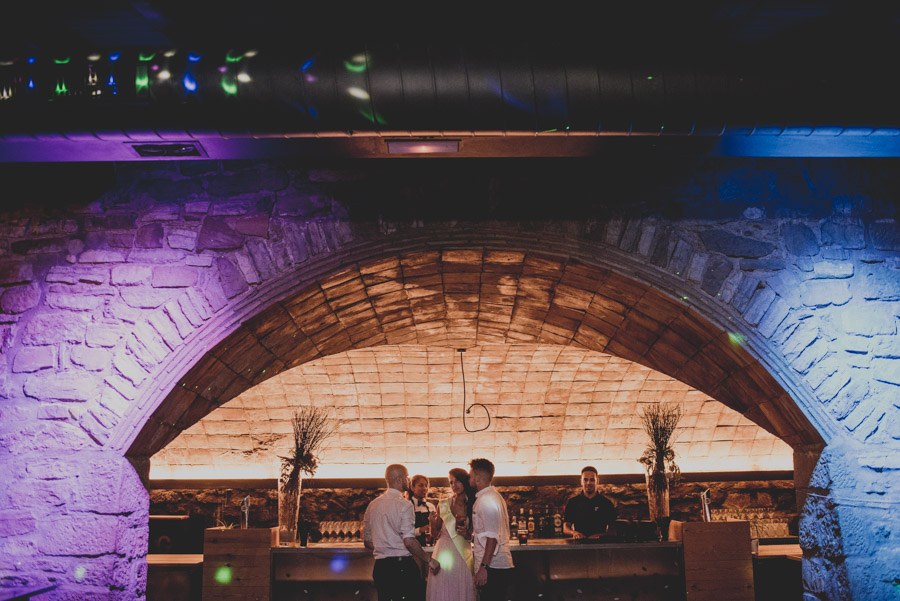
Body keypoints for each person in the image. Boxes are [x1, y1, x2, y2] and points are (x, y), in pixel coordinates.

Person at [364, 464, 440, 601]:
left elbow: (368, 542)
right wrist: (429, 560)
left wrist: (386, 547)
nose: (408, 479)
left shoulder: (372, 505)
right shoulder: (404, 505)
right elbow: (409, 541)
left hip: (380, 568)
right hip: (402, 568)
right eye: (407, 476)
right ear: (399, 479)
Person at [425, 468, 476, 601]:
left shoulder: (473, 504)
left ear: (465, 481)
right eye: (451, 483)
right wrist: (431, 523)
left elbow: (474, 535)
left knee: (461, 588)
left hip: (463, 553)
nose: (454, 485)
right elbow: (435, 534)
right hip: (444, 553)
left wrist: (467, 534)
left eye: (457, 481)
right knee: (443, 590)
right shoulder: (443, 504)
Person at [467, 458, 513, 601]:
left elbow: (492, 538)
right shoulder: (492, 497)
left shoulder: (487, 500)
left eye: (471, 475)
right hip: (494, 566)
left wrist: (483, 568)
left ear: (478, 478)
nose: (469, 478)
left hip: (493, 567)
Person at [563, 465, 617, 538]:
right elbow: (565, 528)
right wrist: (574, 533)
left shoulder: (606, 503)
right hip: (579, 545)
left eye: (592, 480)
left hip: (600, 545)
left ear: (597, 481)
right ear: (581, 481)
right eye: (585, 480)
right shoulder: (573, 502)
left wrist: (600, 536)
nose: (588, 483)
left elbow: (613, 531)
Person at [410, 474, 436, 546]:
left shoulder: (431, 507)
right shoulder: (408, 506)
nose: (424, 488)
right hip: (412, 547)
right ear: (412, 488)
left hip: (429, 546)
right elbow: (404, 533)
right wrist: (421, 530)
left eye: (426, 485)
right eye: (421, 485)